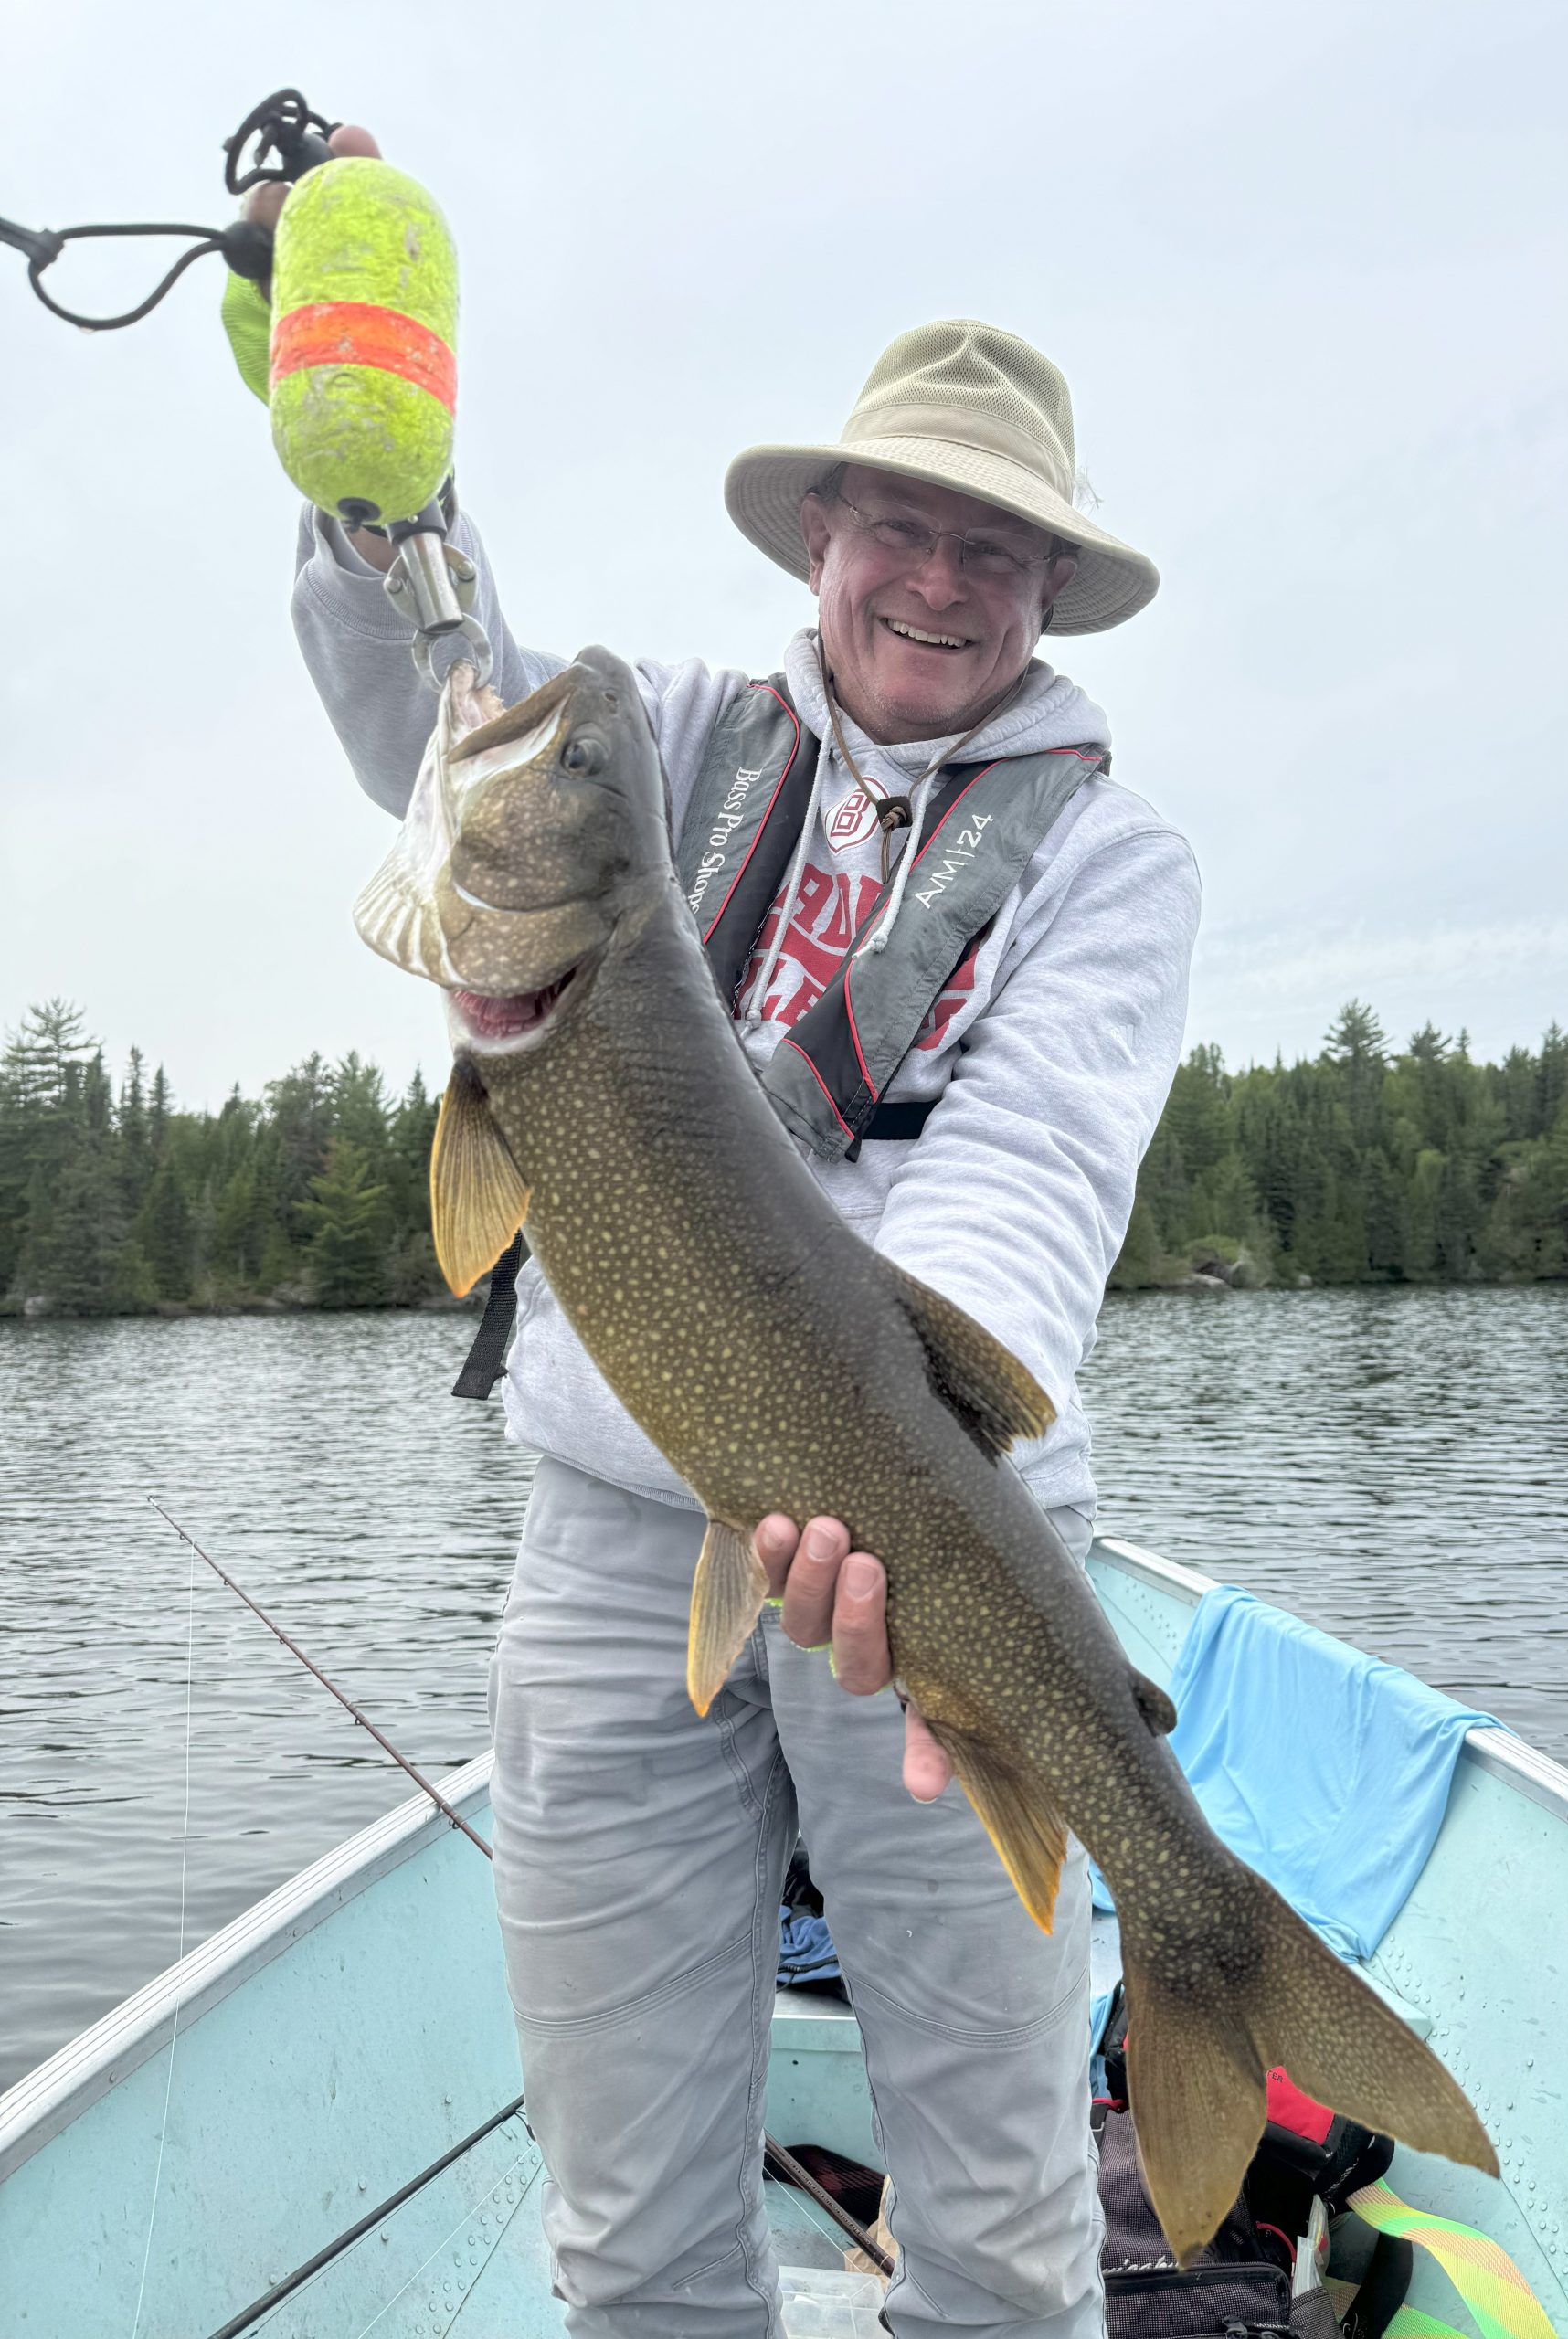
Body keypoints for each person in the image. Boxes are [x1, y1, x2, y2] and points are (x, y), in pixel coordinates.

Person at [266, 126, 1199, 2339]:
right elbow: (438, 690)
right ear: (822, 536)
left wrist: (858, 1487)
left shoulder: (1114, 858)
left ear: (1049, 588)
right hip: (614, 1539)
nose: (942, 579)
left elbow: (1024, 1190)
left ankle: (1200, 1951)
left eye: (997, 544)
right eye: (902, 522)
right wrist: (361, 441)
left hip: (947, 1532)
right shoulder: (662, 741)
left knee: (994, 2213)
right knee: (631, 2225)